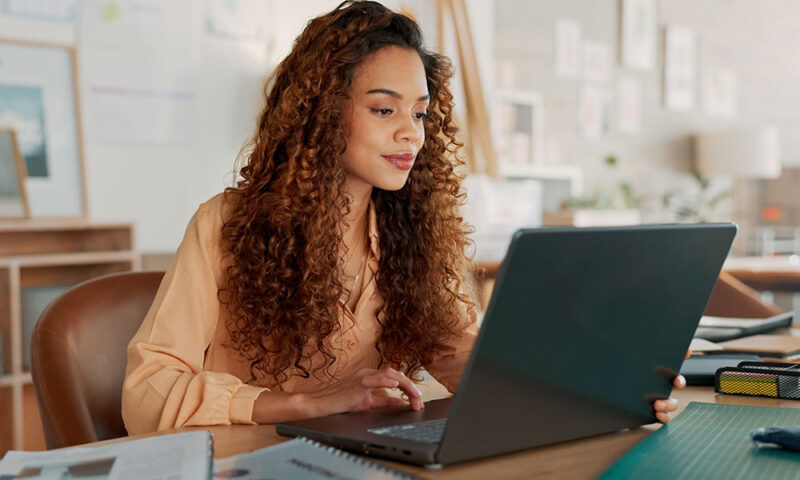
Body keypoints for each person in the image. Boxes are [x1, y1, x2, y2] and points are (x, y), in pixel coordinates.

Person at [121, 0, 683, 434]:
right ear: (320, 114)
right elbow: (147, 391)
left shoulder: (412, 232)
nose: (410, 133)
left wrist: (594, 386)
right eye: (384, 109)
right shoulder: (226, 222)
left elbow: (462, 358)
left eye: (419, 112)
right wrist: (306, 403)